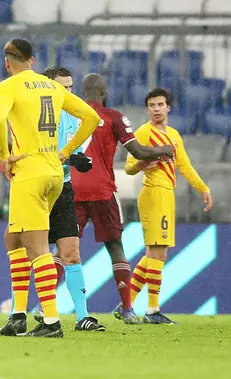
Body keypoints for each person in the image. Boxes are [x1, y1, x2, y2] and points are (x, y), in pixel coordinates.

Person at [0, 38, 101, 338]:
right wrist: (65, 153)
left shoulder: (8, 86)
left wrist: (5, 157)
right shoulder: (52, 87)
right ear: (33, 60)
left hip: (28, 172)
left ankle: (51, 322)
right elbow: (92, 117)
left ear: (7, 62)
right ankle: (17, 315)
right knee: (12, 239)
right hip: (54, 171)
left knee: (37, 249)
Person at [70, 74, 175, 325]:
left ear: (84, 93)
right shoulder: (113, 116)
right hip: (103, 190)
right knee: (115, 247)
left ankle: (43, 307)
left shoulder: (71, 115)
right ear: (104, 91)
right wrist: (164, 150)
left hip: (73, 189)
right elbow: (138, 151)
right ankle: (127, 309)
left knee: (65, 249)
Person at [123, 88, 212, 324]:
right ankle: (151, 310)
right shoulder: (143, 133)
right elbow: (129, 166)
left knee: (154, 253)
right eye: (152, 105)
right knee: (158, 252)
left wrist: (203, 188)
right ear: (147, 109)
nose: (156, 109)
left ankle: (126, 305)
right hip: (153, 193)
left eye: (160, 104)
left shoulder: (173, 135)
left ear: (168, 107)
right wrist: (144, 163)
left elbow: (184, 166)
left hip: (165, 194)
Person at [31, 66, 105, 332]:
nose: (68, 92)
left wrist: (77, 158)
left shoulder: (77, 114)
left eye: (70, 87)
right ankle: (24, 312)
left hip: (62, 188)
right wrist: (63, 157)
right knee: (32, 254)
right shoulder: (36, 111)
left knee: (71, 254)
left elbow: (78, 147)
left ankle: (82, 317)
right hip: (36, 189)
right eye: (62, 88)